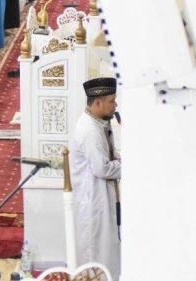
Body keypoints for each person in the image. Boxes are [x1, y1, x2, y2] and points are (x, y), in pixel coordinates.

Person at [70, 77, 121, 280]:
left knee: (106, 250)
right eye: (112, 101)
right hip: (92, 201)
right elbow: (102, 168)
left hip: (100, 196)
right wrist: (129, 166)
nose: (115, 105)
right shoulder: (90, 130)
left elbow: (111, 157)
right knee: (95, 253)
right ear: (98, 103)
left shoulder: (98, 123)